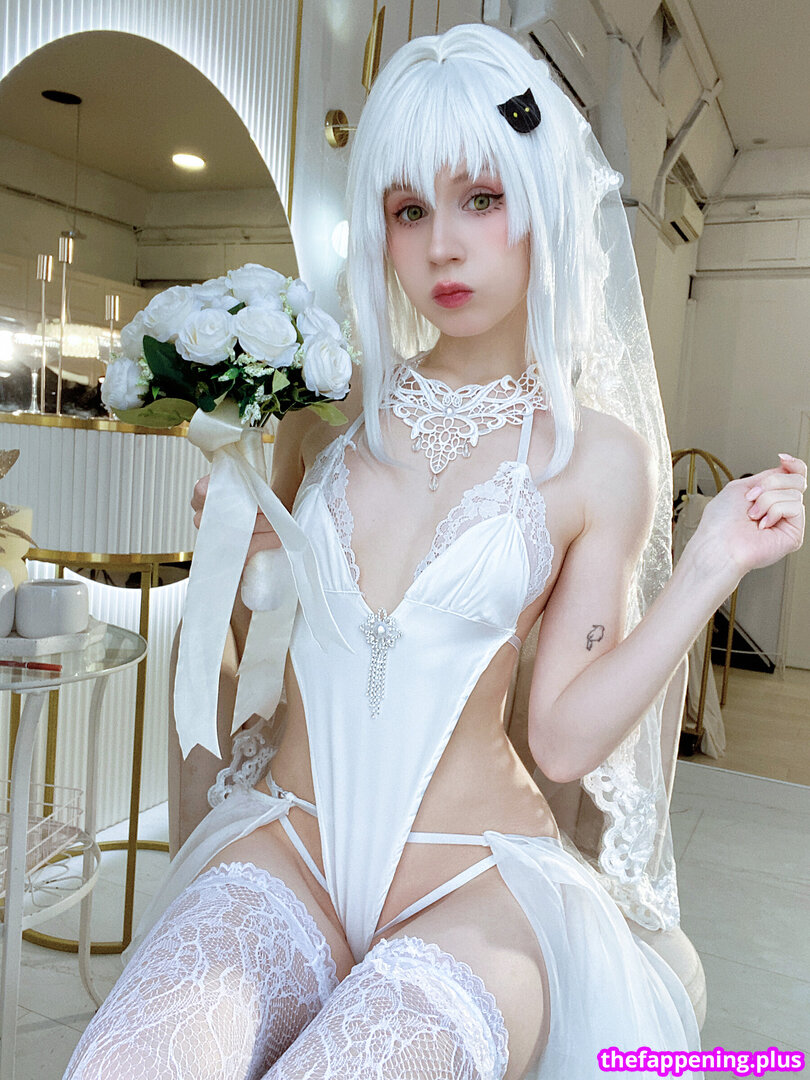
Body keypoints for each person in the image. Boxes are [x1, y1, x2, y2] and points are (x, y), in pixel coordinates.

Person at [63, 23, 806, 1080]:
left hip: (472, 891)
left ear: (542, 204)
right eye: (409, 209)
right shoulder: (323, 409)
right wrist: (228, 547)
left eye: (482, 199)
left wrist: (708, 568)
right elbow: (249, 659)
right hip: (291, 847)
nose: (443, 246)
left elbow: (559, 741)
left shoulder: (597, 458)